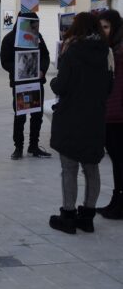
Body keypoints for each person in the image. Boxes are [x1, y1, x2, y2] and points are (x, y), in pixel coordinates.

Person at [49, 12, 113, 234]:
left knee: (69, 168)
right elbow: (109, 87)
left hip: (71, 117)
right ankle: (87, 216)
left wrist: (54, 81)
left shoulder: (72, 51)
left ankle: (67, 215)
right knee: (91, 167)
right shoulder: (106, 52)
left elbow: (61, 85)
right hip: (94, 118)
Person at [0, 11, 51, 160]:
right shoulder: (10, 39)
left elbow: (45, 55)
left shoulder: (37, 38)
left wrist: (41, 69)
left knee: (37, 115)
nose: (34, 27)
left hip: (36, 83)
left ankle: (33, 146)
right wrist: (20, 69)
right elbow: (5, 61)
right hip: (20, 84)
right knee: (20, 115)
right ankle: (18, 147)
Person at [98, 9, 123, 219]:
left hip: (118, 114)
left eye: (106, 27)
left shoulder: (119, 52)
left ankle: (120, 202)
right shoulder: (110, 49)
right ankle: (116, 199)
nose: (103, 32)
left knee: (120, 159)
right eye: (101, 27)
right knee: (116, 159)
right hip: (110, 112)